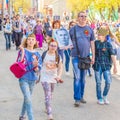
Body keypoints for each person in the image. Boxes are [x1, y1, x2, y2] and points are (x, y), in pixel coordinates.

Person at [69, 11, 95, 107]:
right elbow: (67, 41)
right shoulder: (73, 29)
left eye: (85, 16)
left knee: (83, 79)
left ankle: (81, 96)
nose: (83, 17)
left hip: (86, 57)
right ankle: (77, 98)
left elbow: (92, 43)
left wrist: (93, 56)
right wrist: (68, 46)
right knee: (77, 78)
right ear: (78, 17)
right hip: (76, 57)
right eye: (81, 16)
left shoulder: (89, 29)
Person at [18, 34, 42, 120]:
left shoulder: (38, 54)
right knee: (28, 99)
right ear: (26, 41)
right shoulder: (22, 51)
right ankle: (31, 118)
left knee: (26, 99)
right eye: (29, 39)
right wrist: (22, 51)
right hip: (23, 78)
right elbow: (19, 62)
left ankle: (21, 115)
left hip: (32, 80)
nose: (31, 41)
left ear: (35, 42)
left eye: (32, 39)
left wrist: (36, 67)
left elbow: (38, 69)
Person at [93, 27, 117, 105]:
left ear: (104, 35)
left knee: (108, 82)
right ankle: (99, 98)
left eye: (100, 34)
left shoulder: (108, 44)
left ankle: (104, 96)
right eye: (98, 34)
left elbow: (113, 55)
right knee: (98, 83)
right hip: (97, 65)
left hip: (106, 66)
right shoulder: (95, 43)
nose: (98, 36)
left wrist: (115, 67)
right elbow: (92, 51)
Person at [40, 39, 63, 120]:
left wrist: (59, 76)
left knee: (50, 94)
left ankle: (46, 105)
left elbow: (60, 67)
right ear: (48, 46)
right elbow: (39, 66)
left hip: (53, 77)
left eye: (55, 46)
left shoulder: (58, 56)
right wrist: (37, 76)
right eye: (51, 45)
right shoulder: (44, 54)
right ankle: (49, 114)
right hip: (44, 77)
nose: (53, 47)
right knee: (48, 95)